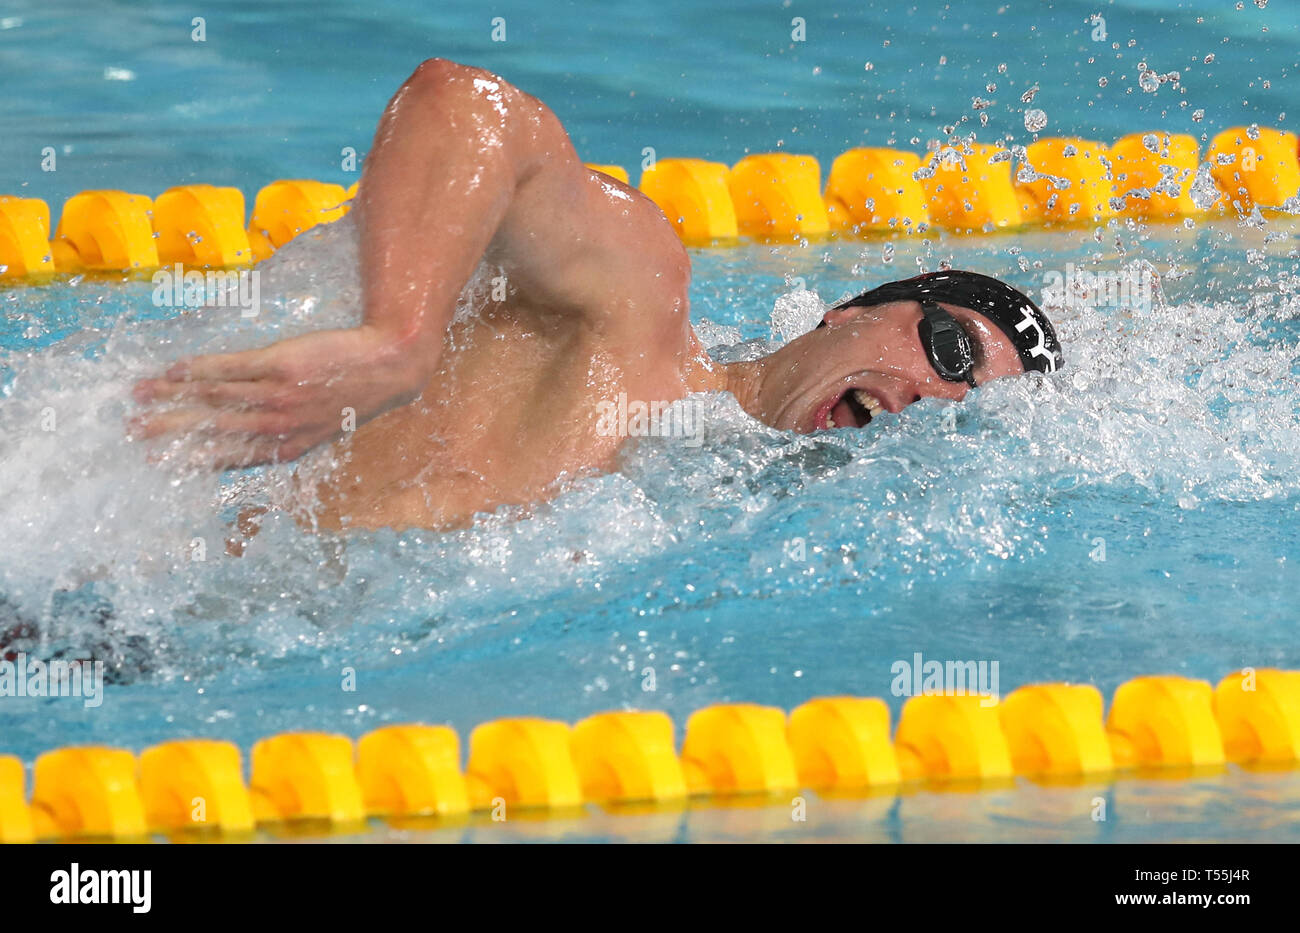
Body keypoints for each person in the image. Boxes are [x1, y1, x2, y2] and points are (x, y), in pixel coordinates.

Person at [131, 58, 1063, 532]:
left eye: (969, 410)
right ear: (850, 309)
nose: (939, 400)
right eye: (949, 352)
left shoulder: (693, 540)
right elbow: (464, 104)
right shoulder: (632, 309)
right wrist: (398, 341)